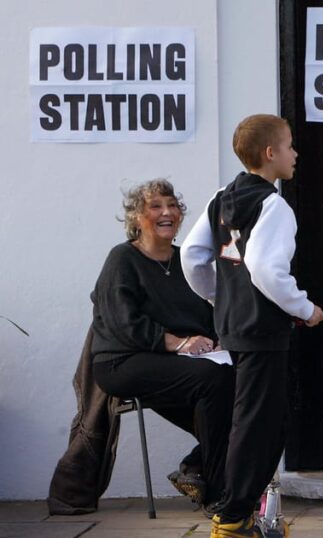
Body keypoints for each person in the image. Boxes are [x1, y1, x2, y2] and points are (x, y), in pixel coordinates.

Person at [181, 114, 323, 538]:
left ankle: (238, 511)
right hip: (264, 329)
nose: (295, 153)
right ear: (270, 154)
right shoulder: (273, 205)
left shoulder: (221, 197)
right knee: (260, 425)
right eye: (290, 146)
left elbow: (192, 257)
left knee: (250, 419)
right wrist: (303, 307)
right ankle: (232, 518)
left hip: (234, 325)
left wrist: (218, 297)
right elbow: (265, 267)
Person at [89, 179, 234, 509]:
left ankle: (198, 467)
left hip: (179, 362)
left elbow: (210, 311)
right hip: (122, 361)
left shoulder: (187, 261)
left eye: (172, 205)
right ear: (137, 217)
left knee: (247, 383)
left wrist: (218, 340)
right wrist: (180, 344)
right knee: (213, 381)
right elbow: (123, 323)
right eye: (156, 206)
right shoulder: (122, 259)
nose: (167, 212)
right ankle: (217, 495)